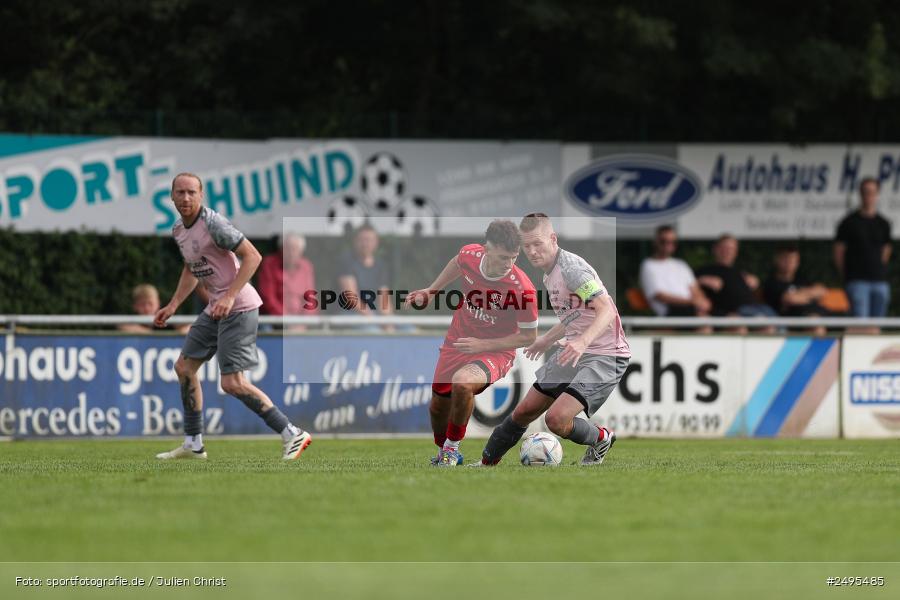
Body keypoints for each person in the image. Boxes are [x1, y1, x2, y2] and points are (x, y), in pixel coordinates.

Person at [153, 173, 311, 461]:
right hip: (216, 307)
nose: (186, 198)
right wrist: (174, 304)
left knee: (232, 383)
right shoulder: (179, 230)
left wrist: (229, 295)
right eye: (180, 192)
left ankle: (292, 433)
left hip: (239, 307)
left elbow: (253, 256)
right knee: (184, 368)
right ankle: (193, 444)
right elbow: (192, 268)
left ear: (201, 195)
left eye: (191, 192)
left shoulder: (213, 223)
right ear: (172, 197)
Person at [474, 213, 630, 467]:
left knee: (556, 420)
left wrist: (582, 342)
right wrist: (546, 340)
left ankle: (601, 438)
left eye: (538, 244)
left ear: (553, 239)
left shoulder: (571, 269)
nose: (532, 251)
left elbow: (607, 310)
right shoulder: (550, 273)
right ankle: (485, 464)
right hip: (573, 351)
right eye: (527, 246)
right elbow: (576, 313)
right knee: (523, 411)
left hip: (605, 355)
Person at [405, 220, 539, 467]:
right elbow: (457, 262)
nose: (509, 264)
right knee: (437, 408)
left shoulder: (522, 290)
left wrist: (482, 346)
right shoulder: (469, 254)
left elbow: (528, 337)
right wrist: (432, 291)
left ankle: (451, 450)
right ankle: (444, 450)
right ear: (486, 248)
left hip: (495, 351)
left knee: (463, 383)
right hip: (458, 341)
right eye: (502, 258)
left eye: (514, 257)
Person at [834, 177, 892, 318]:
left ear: (877, 194)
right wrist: (848, 274)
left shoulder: (883, 223)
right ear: (860, 194)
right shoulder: (848, 222)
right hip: (857, 280)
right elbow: (839, 252)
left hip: (879, 281)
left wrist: (878, 268)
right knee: (861, 323)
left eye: (872, 192)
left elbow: (886, 250)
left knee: (878, 323)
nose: (869, 196)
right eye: (866, 192)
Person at [696, 234, 777, 333]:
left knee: (768, 327)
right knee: (739, 327)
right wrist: (700, 280)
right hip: (723, 316)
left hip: (751, 312)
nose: (727, 252)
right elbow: (690, 290)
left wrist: (756, 284)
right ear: (715, 249)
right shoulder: (704, 271)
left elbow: (758, 296)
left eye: (731, 249)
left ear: (736, 252)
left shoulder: (742, 273)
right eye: (724, 248)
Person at [639, 225, 711, 317]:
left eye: (672, 242)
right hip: (670, 310)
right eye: (663, 241)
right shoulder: (648, 265)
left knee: (723, 314)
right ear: (656, 242)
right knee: (703, 320)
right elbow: (660, 296)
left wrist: (702, 301)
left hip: (690, 307)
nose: (668, 245)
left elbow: (695, 288)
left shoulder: (681, 264)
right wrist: (693, 302)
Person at [763, 244, 831, 336]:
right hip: (792, 323)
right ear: (777, 260)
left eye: (793, 259)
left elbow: (822, 290)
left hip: (821, 316)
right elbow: (790, 299)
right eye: (785, 258)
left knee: (851, 325)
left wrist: (800, 294)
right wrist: (809, 294)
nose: (789, 262)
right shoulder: (772, 283)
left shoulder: (801, 279)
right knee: (815, 324)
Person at [337, 224, 395, 327]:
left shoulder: (381, 266)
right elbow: (352, 298)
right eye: (362, 240)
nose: (365, 244)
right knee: (373, 333)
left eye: (369, 240)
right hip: (351, 315)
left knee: (409, 330)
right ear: (355, 241)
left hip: (374, 316)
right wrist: (373, 320)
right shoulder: (347, 261)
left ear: (376, 242)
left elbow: (384, 299)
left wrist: (388, 323)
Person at [257, 232, 318, 329]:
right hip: (274, 321)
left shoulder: (306, 266)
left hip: (300, 322)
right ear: (281, 249)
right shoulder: (269, 264)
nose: (291, 253)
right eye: (287, 249)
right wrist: (287, 321)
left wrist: (304, 322)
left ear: (301, 251)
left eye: (295, 249)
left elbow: (310, 298)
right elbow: (268, 298)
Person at [118, 284, 190, 334]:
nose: (147, 308)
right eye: (142, 304)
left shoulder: (166, 318)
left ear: (158, 304)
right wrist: (154, 336)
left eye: (150, 304)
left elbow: (189, 327)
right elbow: (122, 326)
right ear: (135, 306)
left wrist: (178, 335)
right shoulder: (131, 320)